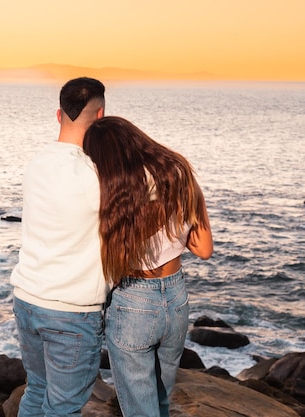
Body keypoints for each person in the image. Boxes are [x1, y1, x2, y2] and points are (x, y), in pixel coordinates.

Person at [82, 116, 214, 417]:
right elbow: (203, 249)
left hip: (134, 300)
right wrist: (175, 229)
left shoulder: (115, 191)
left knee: (141, 410)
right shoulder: (179, 172)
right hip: (176, 297)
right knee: (161, 401)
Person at [10, 77, 110, 417]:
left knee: (36, 390)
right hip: (71, 309)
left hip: (28, 299)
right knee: (63, 408)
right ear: (100, 117)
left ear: (58, 115)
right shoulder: (96, 174)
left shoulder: (36, 163)